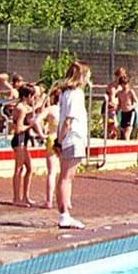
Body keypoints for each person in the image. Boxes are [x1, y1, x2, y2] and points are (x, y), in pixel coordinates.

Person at [55, 62, 90, 229]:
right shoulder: (77, 94)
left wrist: (58, 140)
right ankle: (64, 215)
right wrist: (59, 141)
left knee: (65, 177)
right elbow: (68, 121)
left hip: (67, 138)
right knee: (66, 178)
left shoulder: (65, 93)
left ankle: (65, 210)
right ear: (81, 77)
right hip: (73, 138)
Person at [9, 83, 38, 206]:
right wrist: (31, 125)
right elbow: (19, 129)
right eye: (32, 96)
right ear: (27, 96)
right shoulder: (20, 108)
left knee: (29, 168)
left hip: (24, 141)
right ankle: (16, 198)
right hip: (19, 140)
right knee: (19, 169)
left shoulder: (25, 107)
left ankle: (25, 196)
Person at [109, 66, 136, 141]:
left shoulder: (130, 92)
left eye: (126, 83)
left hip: (130, 112)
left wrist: (132, 107)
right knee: (122, 133)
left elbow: (137, 102)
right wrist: (117, 110)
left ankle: (128, 148)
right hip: (122, 113)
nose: (124, 85)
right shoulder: (118, 91)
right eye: (123, 84)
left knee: (127, 133)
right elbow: (119, 103)